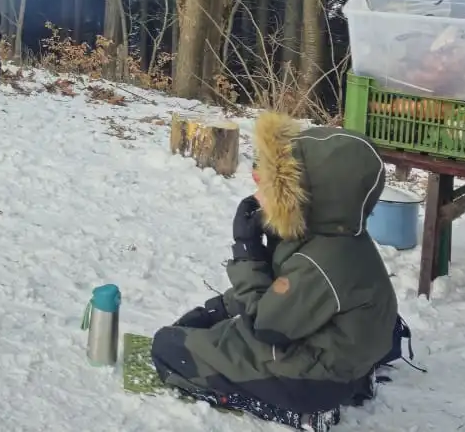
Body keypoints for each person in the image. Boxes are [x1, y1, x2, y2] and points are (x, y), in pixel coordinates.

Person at [151, 113, 399, 424]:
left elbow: (266, 325)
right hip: (340, 357)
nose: (260, 194)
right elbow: (284, 288)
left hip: (315, 378)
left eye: (277, 188)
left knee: (169, 348)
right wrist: (216, 310)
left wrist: (248, 253)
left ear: (310, 198)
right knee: (212, 332)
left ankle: (298, 410)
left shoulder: (320, 261)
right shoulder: (339, 234)